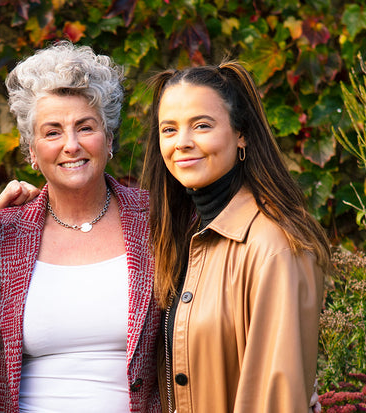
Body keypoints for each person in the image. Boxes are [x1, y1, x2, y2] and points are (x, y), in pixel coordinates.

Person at [142, 61, 329, 412]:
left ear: (240, 133)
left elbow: (276, 399)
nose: (182, 143)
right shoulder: (183, 235)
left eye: (201, 125)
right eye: (169, 129)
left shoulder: (273, 246)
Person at [0, 41, 161, 412]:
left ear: (109, 138)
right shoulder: (2, 234)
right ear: (31, 151)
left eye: (85, 127)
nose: (71, 145)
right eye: (52, 132)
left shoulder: (157, 222)